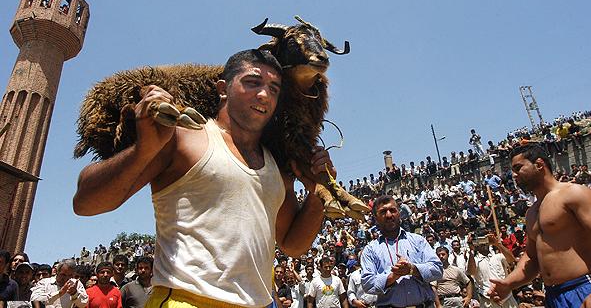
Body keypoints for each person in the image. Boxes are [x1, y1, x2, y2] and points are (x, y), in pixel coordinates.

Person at [73, 49, 333, 307]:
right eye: (252, 83)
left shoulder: (276, 166)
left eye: (274, 89)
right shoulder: (187, 137)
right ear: (223, 89)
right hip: (186, 300)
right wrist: (144, 149)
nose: (264, 94)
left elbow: (292, 244)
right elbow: (85, 203)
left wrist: (318, 193)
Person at [488, 143, 591, 308]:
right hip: (553, 296)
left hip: (582, 288)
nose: (514, 175)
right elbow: (531, 258)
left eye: (518, 168)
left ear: (539, 164)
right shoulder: (532, 213)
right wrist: (509, 283)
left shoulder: (574, 194)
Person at [361, 195, 443, 307]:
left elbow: (437, 270)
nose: (389, 215)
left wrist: (412, 269)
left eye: (392, 210)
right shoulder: (370, 250)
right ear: (376, 217)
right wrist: (392, 276)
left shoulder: (418, 240)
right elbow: (368, 284)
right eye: (383, 212)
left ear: (399, 213)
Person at [467, 233, 518, 308]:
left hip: (507, 297)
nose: (483, 244)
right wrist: (471, 250)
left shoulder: (498, 256)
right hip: (488, 300)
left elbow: (511, 260)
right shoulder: (475, 260)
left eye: (484, 240)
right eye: (480, 241)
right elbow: (471, 271)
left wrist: (497, 244)